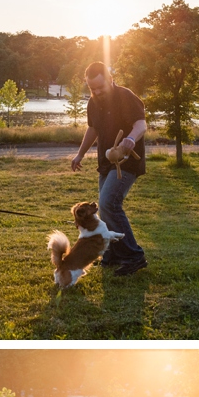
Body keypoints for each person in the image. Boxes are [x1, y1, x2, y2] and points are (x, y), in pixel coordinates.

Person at [71, 61, 147, 276]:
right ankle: (112, 254)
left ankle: (134, 256)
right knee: (104, 208)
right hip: (105, 163)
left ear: (110, 80)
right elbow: (93, 129)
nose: (95, 92)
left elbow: (141, 124)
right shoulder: (93, 102)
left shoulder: (126, 97)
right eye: (91, 88)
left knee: (108, 203)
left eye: (99, 88)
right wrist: (80, 154)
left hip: (126, 162)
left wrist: (131, 138)